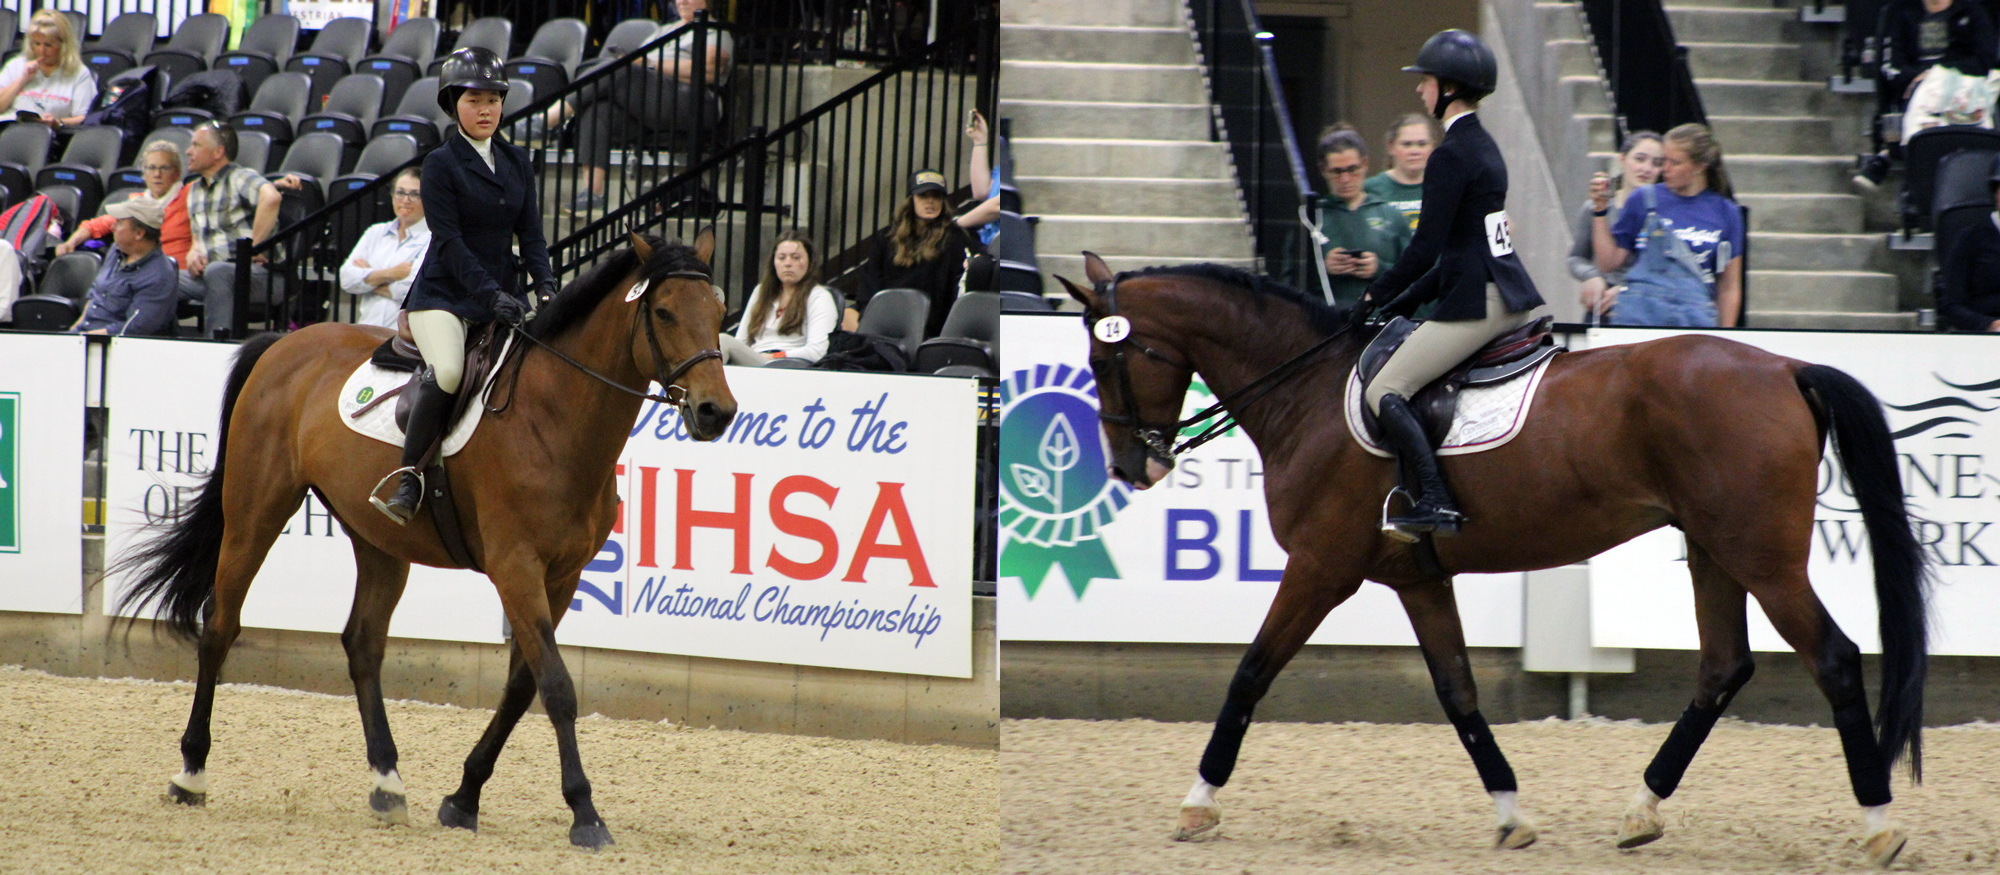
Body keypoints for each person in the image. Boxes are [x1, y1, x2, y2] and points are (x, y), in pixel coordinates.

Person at [1359, 29, 1545, 540]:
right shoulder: (1485, 148)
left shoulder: (1449, 156)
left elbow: (1425, 250)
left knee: (1385, 388)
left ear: (1446, 87)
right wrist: (1403, 300)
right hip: (1505, 292)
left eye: (1425, 81)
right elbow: (1463, 248)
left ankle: (1435, 501)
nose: (1419, 90)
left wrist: (1375, 293)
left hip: (1477, 301)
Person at [373, 47, 554, 524]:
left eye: (494, 99)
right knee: (449, 371)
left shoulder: (517, 162)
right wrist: (489, 295)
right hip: (445, 294)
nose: (487, 109)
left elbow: (531, 234)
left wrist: (547, 286)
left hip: (503, 294)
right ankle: (409, 475)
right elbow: (449, 242)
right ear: (453, 104)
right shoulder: (440, 163)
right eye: (475, 100)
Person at [546, 0, 733, 214]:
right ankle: (592, 193)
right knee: (599, 109)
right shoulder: (664, 30)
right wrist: (638, 64)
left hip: (694, 104)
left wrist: (650, 64)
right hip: (653, 103)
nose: (681, 1)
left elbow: (708, 69)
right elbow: (637, 63)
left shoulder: (714, 30)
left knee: (618, 69)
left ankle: (549, 119)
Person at [1590, 123, 1745, 328]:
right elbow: (1609, 263)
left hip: (1694, 318)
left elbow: (1728, 287)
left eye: (1675, 163)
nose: (1665, 169)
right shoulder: (1643, 199)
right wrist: (1599, 211)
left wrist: (1724, 337)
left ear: (1699, 166)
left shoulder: (1726, 212)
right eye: (1664, 160)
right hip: (1641, 316)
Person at [1855, 0, 1996, 188]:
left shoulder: (1971, 11)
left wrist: (1936, 73)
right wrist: (1921, 79)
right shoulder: (1901, 12)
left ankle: (1888, 155)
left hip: (1962, 89)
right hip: (1916, 89)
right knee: (1919, 99)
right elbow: (1895, 66)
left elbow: (1983, 62)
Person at [179, 121, 283, 336]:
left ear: (218, 152)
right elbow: (198, 237)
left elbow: (271, 197)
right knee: (161, 274)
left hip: (259, 276)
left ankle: (217, 346)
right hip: (213, 274)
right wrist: (193, 252)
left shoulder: (239, 177)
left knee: (218, 272)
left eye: (196, 145)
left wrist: (253, 247)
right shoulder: (195, 189)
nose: (189, 151)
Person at [851, 170, 978, 338]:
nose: (930, 201)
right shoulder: (887, 238)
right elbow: (870, 282)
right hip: (886, 324)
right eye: (923, 195)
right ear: (912, 200)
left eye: (937, 196)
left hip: (933, 327)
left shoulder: (955, 238)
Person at [1312, 124, 1411, 307]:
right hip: (1327, 324)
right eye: (1337, 171)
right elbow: (1289, 285)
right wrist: (1322, 270)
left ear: (1365, 164)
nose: (1345, 179)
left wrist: (1379, 269)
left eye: (1352, 169)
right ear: (1324, 169)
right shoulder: (1311, 220)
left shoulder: (1391, 216)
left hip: (1379, 322)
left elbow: (1415, 279)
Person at [1569, 131, 1663, 320]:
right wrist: (1592, 276)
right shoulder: (1598, 206)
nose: (1646, 168)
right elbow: (1576, 258)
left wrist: (1629, 289)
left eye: (1656, 163)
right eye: (1640, 159)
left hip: (1648, 303)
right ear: (1622, 159)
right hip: (1604, 302)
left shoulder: (1664, 212)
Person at [57, 140, 192, 263]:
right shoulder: (137, 201)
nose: (157, 174)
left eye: (164, 168)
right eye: (151, 168)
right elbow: (96, 225)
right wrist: (70, 243)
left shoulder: (190, 196)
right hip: (141, 271)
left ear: (177, 173)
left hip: (177, 273)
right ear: (144, 174)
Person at [721, 230, 838, 365]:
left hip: (789, 363)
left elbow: (817, 351)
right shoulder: (760, 291)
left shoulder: (819, 297)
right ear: (773, 262)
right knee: (717, 345)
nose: (787, 263)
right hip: (755, 359)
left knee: (723, 341)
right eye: (782, 258)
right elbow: (741, 341)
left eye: (795, 257)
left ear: (809, 262)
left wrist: (776, 356)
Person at [68, 198, 178, 336]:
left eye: (119, 222)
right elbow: (96, 293)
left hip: (111, 345)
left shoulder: (159, 276)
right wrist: (75, 330)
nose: (112, 227)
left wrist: (83, 339)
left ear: (139, 233)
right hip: (83, 336)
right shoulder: (116, 250)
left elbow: (132, 329)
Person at [338, 168, 430, 329]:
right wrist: (391, 273)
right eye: (400, 192)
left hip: (405, 337)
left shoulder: (432, 238)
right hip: (366, 330)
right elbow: (346, 279)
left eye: (415, 194)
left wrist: (368, 278)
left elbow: (413, 292)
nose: (406, 200)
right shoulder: (376, 232)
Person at [0, 10, 96, 130]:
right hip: (9, 131)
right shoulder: (16, 65)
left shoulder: (79, 73)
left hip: (51, 137)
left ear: (63, 45)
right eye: (37, 44)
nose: (42, 51)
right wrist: (22, 80)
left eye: (48, 45)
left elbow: (84, 117)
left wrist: (57, 122)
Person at [1936, 161, 2000, 331]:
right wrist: (1989, 325)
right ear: (1995, 193)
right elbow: (1951, 305)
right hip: (1983, 334)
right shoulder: (1970, 239)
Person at [1366, 113, 1439, 230]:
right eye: (1407, 144)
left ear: (1433, 147)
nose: (1415, 151)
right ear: (1391, 147)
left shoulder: (1444, 187)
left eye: (1422, 144)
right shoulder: (1370, 189)